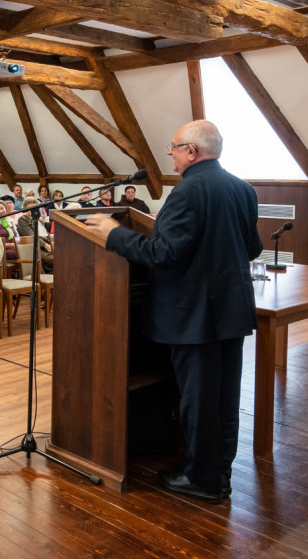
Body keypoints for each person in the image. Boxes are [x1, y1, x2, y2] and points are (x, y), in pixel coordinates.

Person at [85, 120, 262, 504]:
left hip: (192, 315)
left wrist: (114, 233)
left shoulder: (187, 192)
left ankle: (203, 480)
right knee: (224, 398)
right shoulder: (242, 189)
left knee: (199, 400)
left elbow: (163, 253)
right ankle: (219, 473)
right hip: (230, 311)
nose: (170, 152)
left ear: (193, 152)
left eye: (175, 146)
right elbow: (252, 248)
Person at [17, 196, 53, 273]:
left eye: (35, 208)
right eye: (30, 208)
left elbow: (46, 235)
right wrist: (46, 245)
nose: (33, 210)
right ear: (25, 209)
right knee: (58, 260)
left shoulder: (38, 219)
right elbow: (32, 237)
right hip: (36, 250)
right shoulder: (23, 220)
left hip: (47, 247)